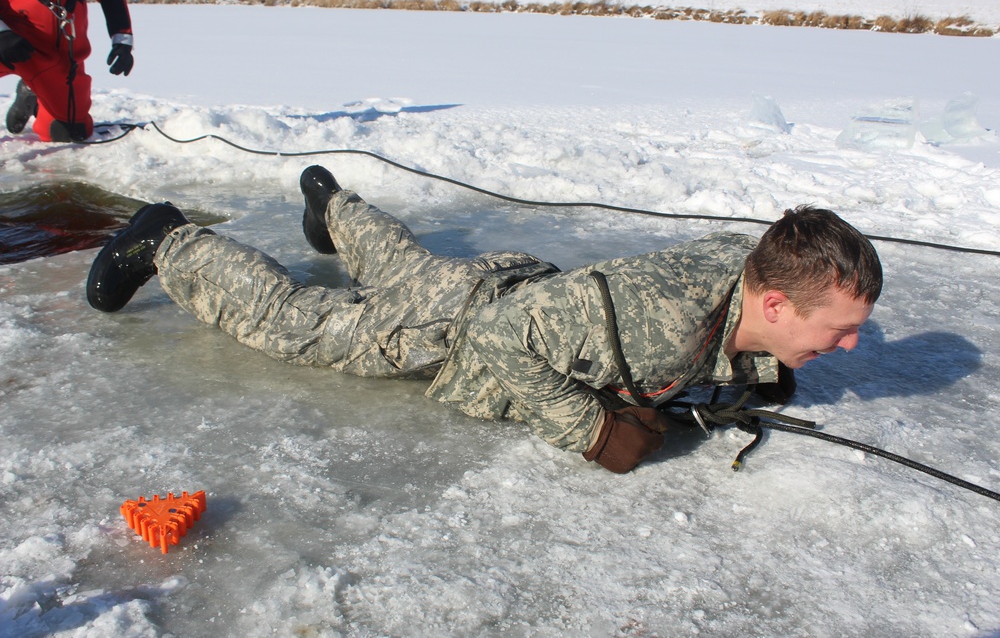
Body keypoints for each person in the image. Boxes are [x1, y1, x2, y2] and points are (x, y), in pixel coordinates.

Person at [85, 166, 882, 473]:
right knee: (297, 321)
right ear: (774, 301)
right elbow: (506, 344)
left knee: (410, 270)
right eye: (836, 329)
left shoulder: (751, 266)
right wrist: (592, 429)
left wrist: (753, 366)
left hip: (501, 289)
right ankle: (171, 240)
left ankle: (333, 207)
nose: (848, 345)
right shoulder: (661, 324)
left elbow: (712, 326)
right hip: (464, 327)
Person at [0, 0, 134, 142]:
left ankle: (34, 91)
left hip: (56, 57)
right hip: (8, 38)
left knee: (69, 132)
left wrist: (122, 39)